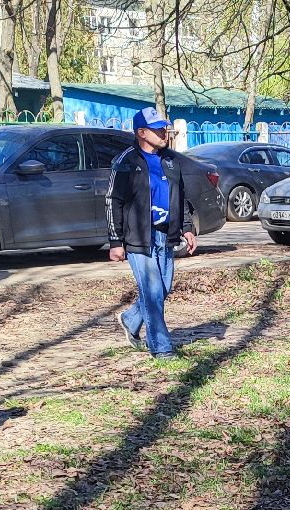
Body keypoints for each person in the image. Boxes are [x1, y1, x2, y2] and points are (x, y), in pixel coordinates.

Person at [105, 107, 196, 357]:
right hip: (138, 237)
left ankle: (131, 319)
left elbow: (181, 197)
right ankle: (162, 348)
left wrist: (187, 228)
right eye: (157, 129)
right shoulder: (126, 161)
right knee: (153, 290)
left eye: (164, 128)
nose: (164, 133)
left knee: (162, 289)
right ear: (141, 133)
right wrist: (115, 241)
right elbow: (113, 201)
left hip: (166, 235)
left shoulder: (171, 160)